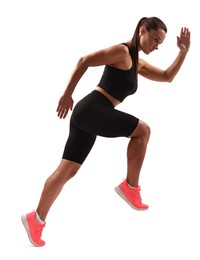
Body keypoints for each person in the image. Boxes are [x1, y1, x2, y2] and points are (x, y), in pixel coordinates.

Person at [21, 17, 190, 247]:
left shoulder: (137, 62)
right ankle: (131, 187)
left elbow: (167, 77)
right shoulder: (122, 52)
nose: (156, 46)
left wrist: (183, 52)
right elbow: (85, 60)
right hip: (93, 108)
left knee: (67, 170)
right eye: (155, 39)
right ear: (142, 31)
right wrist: (67, 93)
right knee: (143, 130)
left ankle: (36, 218)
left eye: (160, 43)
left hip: (90, 113)